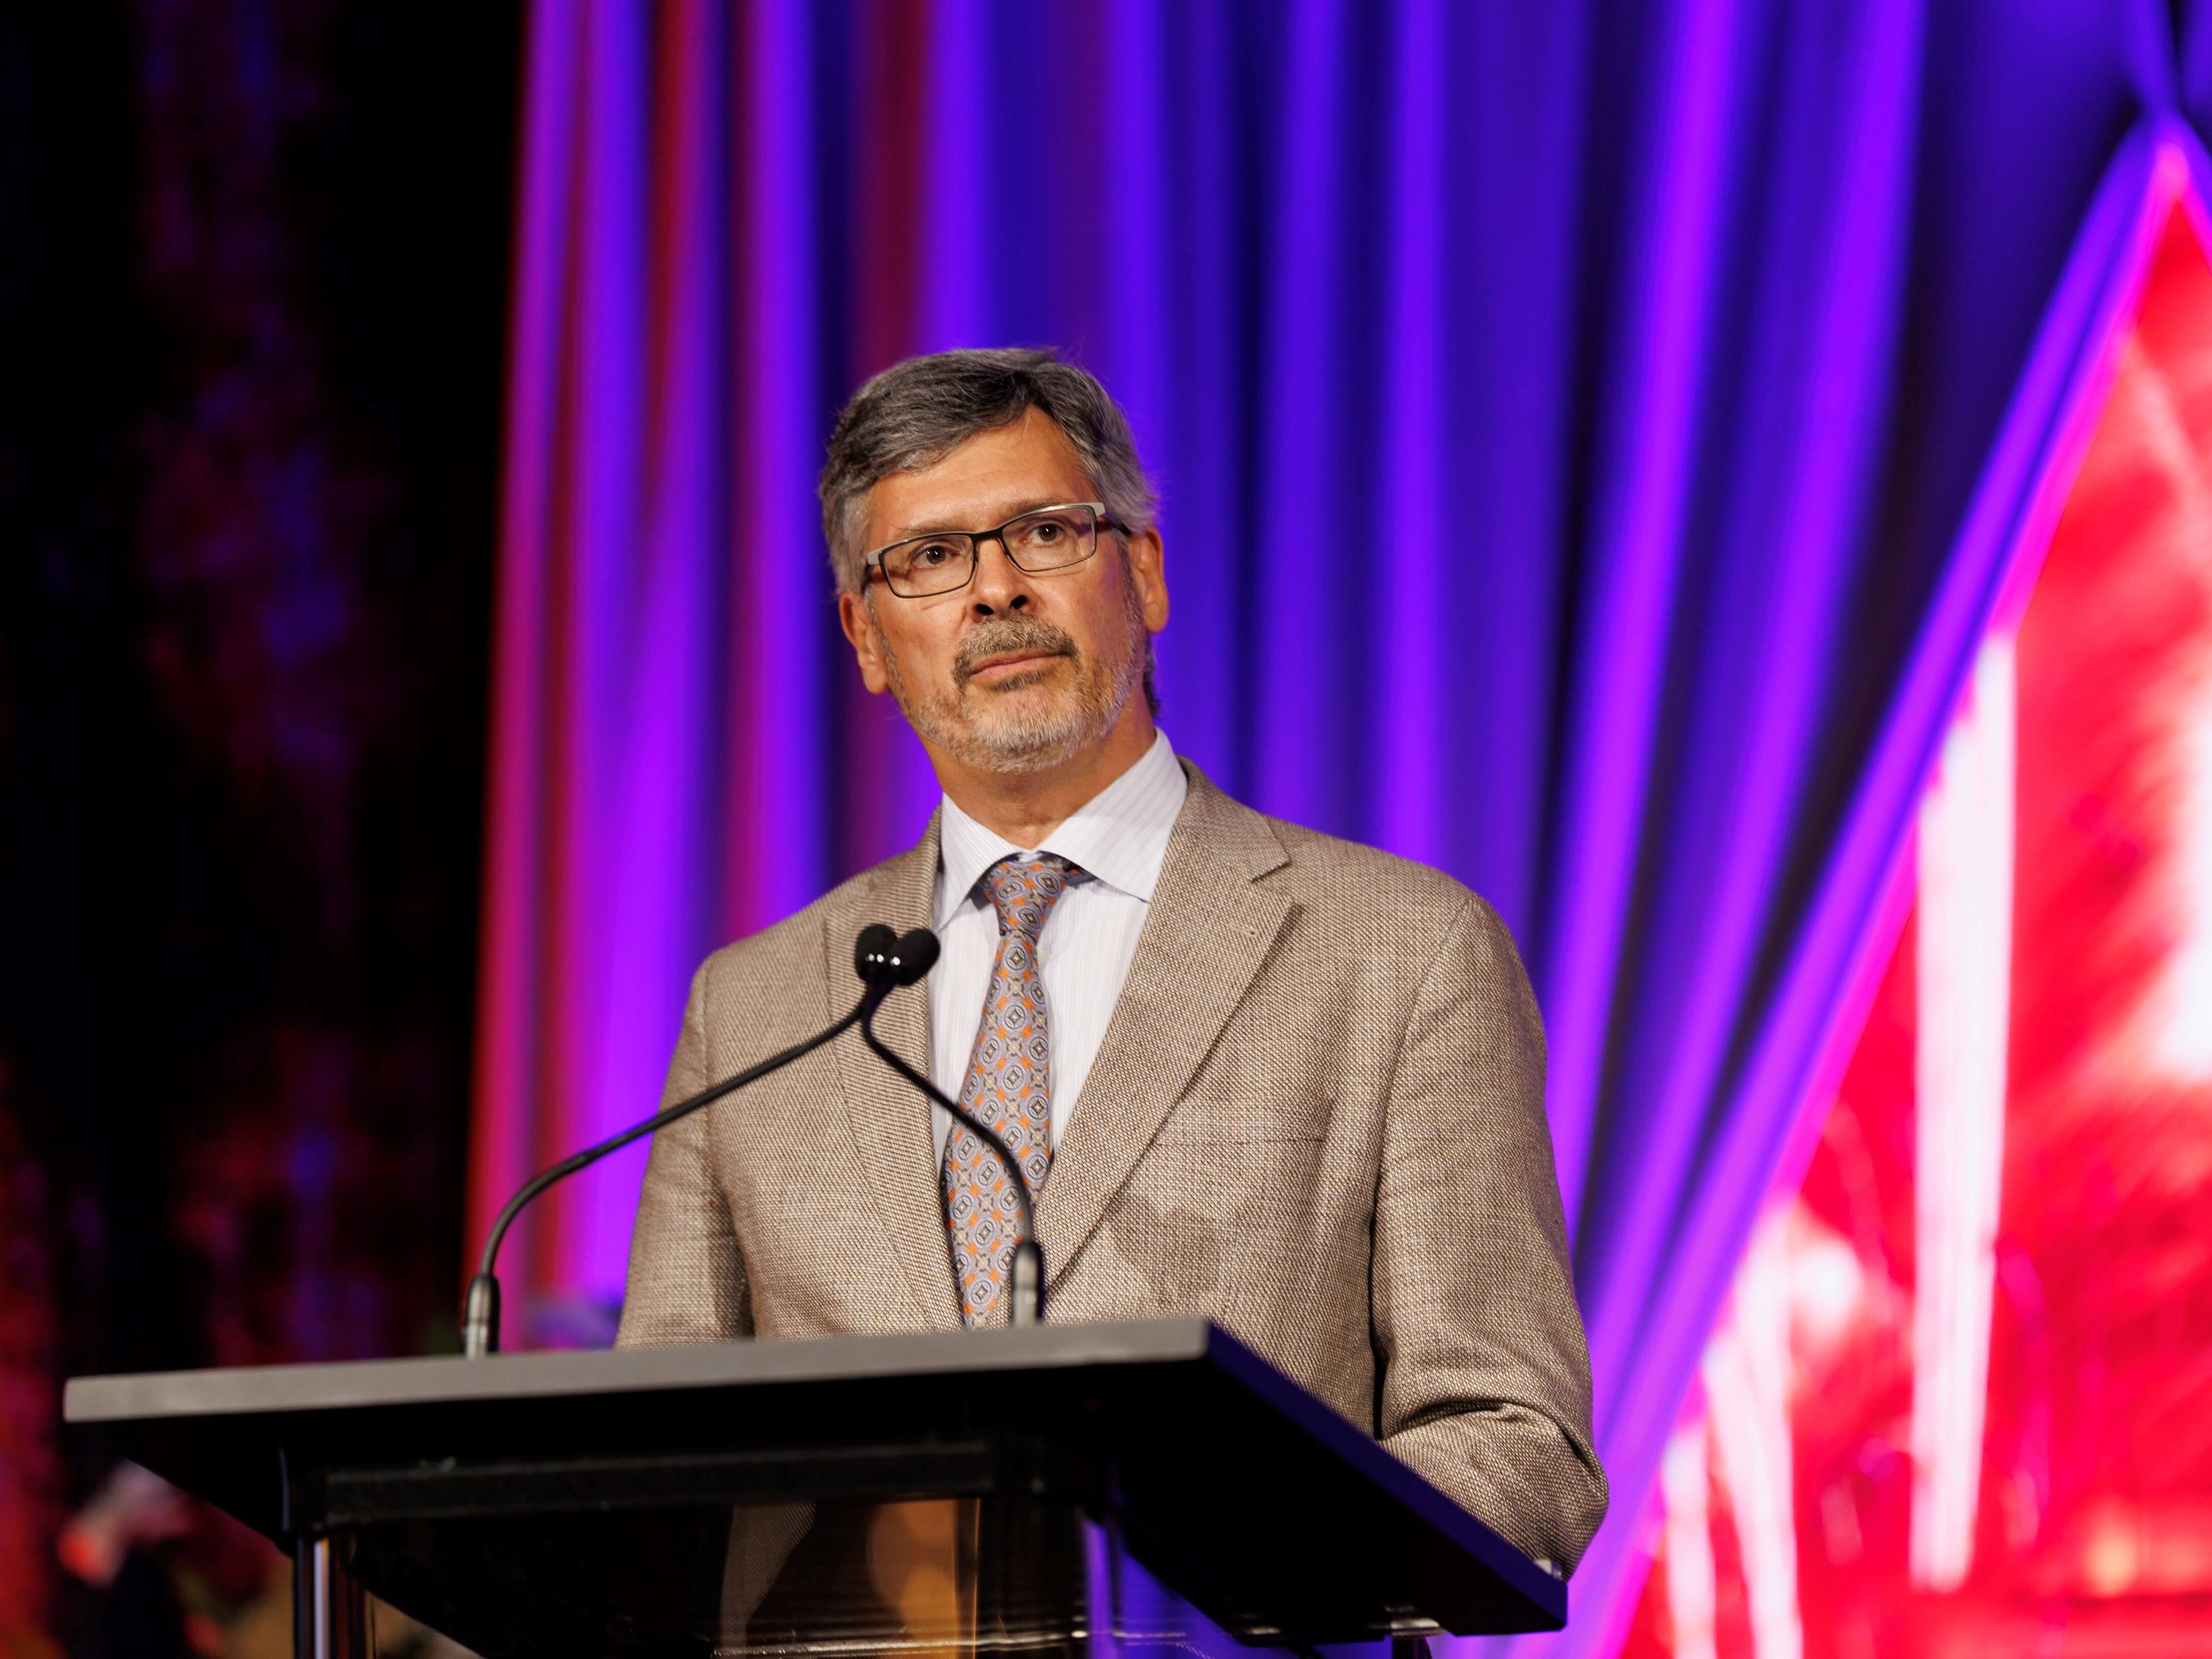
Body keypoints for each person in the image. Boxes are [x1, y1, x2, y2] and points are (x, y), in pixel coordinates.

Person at [616, 348, 1607, 1572]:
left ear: (1141, 571)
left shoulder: (1403, 953)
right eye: (929, 558)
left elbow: (1514, 1440)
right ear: (867, 637)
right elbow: (655, 1472)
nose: (993, 592)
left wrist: (1219, 1562)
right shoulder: (758, 1008)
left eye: (1043, 533)